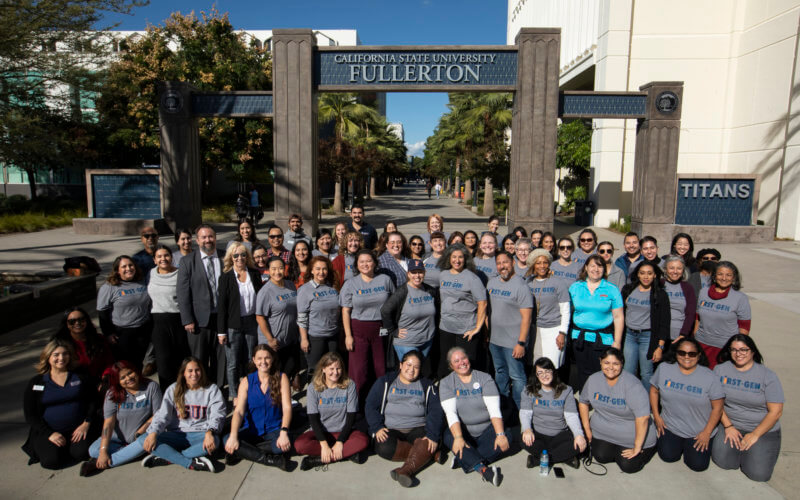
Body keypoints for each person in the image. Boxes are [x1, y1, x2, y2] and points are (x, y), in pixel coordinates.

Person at [365, 350, 444, 487]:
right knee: (383, 447)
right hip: (392, 428)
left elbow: (436, 411)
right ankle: (428, 454)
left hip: (418, 428)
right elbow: (370, 405)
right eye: (408, 365)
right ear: (401, 365)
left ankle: (405, 470)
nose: (411, 370)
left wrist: (432, 434)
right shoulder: (386, 381)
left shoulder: (427, 385)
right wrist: (377, 427)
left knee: (428, 441)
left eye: (416, 367)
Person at [712, 335, 784, 482]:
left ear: (752, 352)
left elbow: (776, 412)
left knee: (758, 474)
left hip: (762, 428)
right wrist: (728, 426)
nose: (739, 354)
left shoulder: (767, 376)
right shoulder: (720, 370)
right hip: (731, 424)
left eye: (744, 349)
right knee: (724, 463)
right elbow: (716, 403)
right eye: (734, 350)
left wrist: (755, 435)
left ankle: (755, 450)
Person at [649, 338, 724, 472]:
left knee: (697, 465)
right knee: (668, 456)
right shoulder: (664, 368)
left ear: (699, 355)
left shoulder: (710, 376)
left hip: (698, 431)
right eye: (682, 353)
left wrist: (707, 432)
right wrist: (656, 416)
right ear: (676, 353)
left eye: (692, 354)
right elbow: (654, 391)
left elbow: (717, 408)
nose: (686, 357)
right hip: (671, 426)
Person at [578, 348, 657, 473]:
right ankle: (616, 450)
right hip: (604, 432)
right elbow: (583, 402)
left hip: (632, 435)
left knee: (628, 465)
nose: (611, 367)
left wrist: (637, 446)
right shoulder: (593, 379)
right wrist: (587, 430)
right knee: (601, 456)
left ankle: (646, 449)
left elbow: (643, 418)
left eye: (615, 364)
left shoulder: (633, 385)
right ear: (600, 362)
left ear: (622, 364)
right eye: (606, 363)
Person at [22, 339, 96, 470]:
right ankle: (59, 448)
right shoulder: (37, 382)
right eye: (56, 355)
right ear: (48, 357)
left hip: (78, 429)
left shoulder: (79, 376)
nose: (61, 358)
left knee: (82, 453)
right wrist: (50, 434)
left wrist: (86, 423)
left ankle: (70, 447)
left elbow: (93, 400)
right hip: (50, 431)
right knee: (51, 462)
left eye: (65, 354)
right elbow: (30, 414)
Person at [141, 357, 225, 472]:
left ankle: (169, 456)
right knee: (144, 439)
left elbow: (218, 414)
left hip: (200, 434)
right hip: (177, 434)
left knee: (215, 441)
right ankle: (190, 462)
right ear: (183, 373)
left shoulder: (212, 389)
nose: (194, 374)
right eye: (190, 371)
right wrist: (153, 432)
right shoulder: (173, 389)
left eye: (197, 370)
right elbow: (162, 415)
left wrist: (210, 432)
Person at [439, 347, 507, 486]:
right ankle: (483, 470)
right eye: (456, 361)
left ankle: (463, 459)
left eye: (463, 358)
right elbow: (451, 413)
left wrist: (500, 434)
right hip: (464, 431)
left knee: (507, 437)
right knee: (449, 436)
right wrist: (458, 438)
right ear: (451, 366)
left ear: (468, 359)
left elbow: (494, 410)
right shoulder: (446, 383)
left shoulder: (484, 378)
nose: (461, 363)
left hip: (486, 428)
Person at [81, 361, 162, 476]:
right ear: (117, 381)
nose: (128, 378)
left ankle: (99, 463)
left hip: (139, 437)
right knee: (93, 450)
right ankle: (128, 454)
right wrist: (103, 451)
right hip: (116, 439)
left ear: (136, 371)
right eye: (123, 377)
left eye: (130, 373)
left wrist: (142, 429)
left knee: (145, 442)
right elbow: (108, 423)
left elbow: (158, 414)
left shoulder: (151, 387)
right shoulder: (112, 394)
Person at [294, 353, 369, 469]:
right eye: (331, 369)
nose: (335, 372)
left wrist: (340, 442)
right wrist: (323, 444)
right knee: (299, 445)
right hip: (321, 432)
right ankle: (346, 455)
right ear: (323, 369)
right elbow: (313, 419)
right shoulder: (313, 387)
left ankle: (319, 459)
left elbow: (351, 417)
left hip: (344, 431)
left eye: (338, 368)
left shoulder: (349, 385)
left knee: (363, 441)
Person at [224, 345, 292, 470]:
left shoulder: (282, 378)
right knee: (227, 439)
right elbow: (238, 411)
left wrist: (283, 431)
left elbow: (287, 408)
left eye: (267, 358)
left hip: (274, 429)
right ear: (254, 360)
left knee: (284, 445)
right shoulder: (247, 381)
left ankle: (243, 452)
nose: (263, 362)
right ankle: (270, 460)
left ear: (272, 359)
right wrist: (234, 435)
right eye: (259, 358)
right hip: (251, 430)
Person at [177, 224, 226, 389]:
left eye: (210, 236)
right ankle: (200, 389)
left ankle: (218, 388)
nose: (208, 240)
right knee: (199, 358)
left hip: (220, 317)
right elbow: (183, 293)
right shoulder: (187, 261)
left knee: (220, 357)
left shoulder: (224, 257)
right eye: (204, 237)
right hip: (198, 320)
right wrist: (187, 319)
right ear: (197, 240)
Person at [340, 250, 395, 396]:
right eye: (361, 262)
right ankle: (357, 402)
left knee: (380, 368)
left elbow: (393, 305)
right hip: (359, 329)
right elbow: (345, 311)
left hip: (380, 329)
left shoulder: (385, 279)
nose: (365, 264)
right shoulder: (350, 284)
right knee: (359, 370)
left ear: (375, 263)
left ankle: (381, 398)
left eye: (369, 261)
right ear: (357, 265)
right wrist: (348, 335)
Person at [569, 255, 624, 390]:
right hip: (579, 338)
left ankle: (598, 398)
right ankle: (585, 400)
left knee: (600, 371)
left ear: (604, 269)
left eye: (600, 266)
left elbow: (618, 317)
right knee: (582, 371)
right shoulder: (575, 287)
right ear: (586, 268)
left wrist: (617, 341)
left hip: (602, 339)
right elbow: (567, 312)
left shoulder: (612, 289)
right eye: (592, 265)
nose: (596, 269)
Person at [520, 357, 586, 469]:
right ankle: (565, 458)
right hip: (539, 434)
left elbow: (571, 416)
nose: (544, 375)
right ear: (536, 375)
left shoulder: (566, 390)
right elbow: (525, 413)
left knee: (579, 444)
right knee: (524, 440)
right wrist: (527, 429)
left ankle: (538, 459)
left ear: (553, 372)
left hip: (560, 435)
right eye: (540, 373)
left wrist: (579, 434)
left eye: (547, 371)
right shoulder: (528, 390)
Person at [487, 251, 533, 408]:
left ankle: (520, 410)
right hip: (495, 340)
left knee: (517, 377)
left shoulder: (521, 286)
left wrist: (521, 342)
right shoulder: (491, 283)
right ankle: (504, 407)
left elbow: (527, 317)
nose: (502, 266)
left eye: (505, 262)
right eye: (499, 263)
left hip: (513, 342)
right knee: (500, 373)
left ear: (512, 263)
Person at [218, 242, 263, 395]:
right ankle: (234, 393)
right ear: (231, 257)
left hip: (251, 321)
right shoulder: (226, 277)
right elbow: (222, 306)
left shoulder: (254, 273)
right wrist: (221, 332)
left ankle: (252, 388)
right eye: (235, 255)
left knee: (251, 359)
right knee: (233, 362)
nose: (239, 258)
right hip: (233, 324)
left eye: (243, 254)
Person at [436, 244, 488, 378]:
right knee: (446, 363)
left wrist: (477, 328)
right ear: (448, 258)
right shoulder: (443, 275)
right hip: (446, 328)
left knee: (465, 365)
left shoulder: (472, 278)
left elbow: (482, 303)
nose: (457, 260)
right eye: (454, 257)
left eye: (460, 257)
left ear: (466, 259)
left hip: (465, 331)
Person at [620, 261, 670, 390]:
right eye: (642, 273)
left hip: (647, 337)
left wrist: (660, 347)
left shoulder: (660, 294)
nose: (645, 276)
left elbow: (665, 323)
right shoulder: (628, 290)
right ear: (637, 274)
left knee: (646, 373)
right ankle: (630, 400)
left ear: (654, 275)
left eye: (649, 273)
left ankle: (647, 405)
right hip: (630, 335)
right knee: (628, 371)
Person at [97, 255, 152, 368]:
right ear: (117, 270)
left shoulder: (142, 281)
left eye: (131, 265)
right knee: (124, 366)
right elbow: (102, 311)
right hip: (122, 334)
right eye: (124, 266)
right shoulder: (109, 287)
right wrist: (108, 333)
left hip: (142, 330)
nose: (128, 268)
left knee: (138, 363)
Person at [381, 259, 439, 364]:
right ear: (408, 274)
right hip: (407, 343)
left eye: (420, 272)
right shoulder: (402, 292)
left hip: (426, 341)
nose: (417, 276)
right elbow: (385, 311)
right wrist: (392, 330)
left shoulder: (430, 291)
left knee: (420, 372)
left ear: (424, 273)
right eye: (413, 272)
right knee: (410, 373)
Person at [256, 256, 302, 388]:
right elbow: (260, 317)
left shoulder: (290, 285)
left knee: (286, 373)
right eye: (274, 269)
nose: (277, 272)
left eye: (281, 268)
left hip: (290, 339)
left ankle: (284, 400)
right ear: (268, 271)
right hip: (273, 342)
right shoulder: (265, 292)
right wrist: (270, 339)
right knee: (273, 377)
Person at [694, 261, 750, 368]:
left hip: (725, 348)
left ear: (734, 278)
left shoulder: (740, 298)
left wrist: (737, 349)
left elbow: (744, 327)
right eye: (720, 274)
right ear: (714, 276)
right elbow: (698, 317)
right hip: (702, 344)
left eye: (728, 275)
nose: (724, 278)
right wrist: (696, 335)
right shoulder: (703, 292)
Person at [148, 245, 190, 388]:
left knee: (180, 359)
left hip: (178, 319)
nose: (163, 259)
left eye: (166, 255)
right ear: (154, 260)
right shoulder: (151, 274)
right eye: (159, 256)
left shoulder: (180, 274)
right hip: (159, 322)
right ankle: (166, 393)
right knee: (163, 360)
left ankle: (183, 390)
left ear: (172, 258)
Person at [297, 256, 341, 378]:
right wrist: (304, 338)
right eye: (317, 269)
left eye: (324, 269)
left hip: (333, 335)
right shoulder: (305, 290)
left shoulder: (333, 287)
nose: (321, 272)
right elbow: (301, 317)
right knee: (316, 371)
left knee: (332, 369)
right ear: (311, 270)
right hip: (315, 337)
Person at [525, 249, 570, 368]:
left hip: (554, 329)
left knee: (552, 365)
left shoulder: (558, 283)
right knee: (536, 364)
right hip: (535, 329)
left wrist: (562, 333)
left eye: (545, 262)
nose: (542, 266)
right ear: (533, 265)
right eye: (538, 263)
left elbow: (565, 310)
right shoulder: (528, 283)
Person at [52, 307, 113, 381]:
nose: (77, 323)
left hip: (100, 381)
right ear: (67, 324)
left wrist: (106, 376)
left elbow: (109, 361)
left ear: (87, 321)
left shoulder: (99, 339)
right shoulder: (60, 344)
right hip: (73, 383)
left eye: (81, 319)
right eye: (72, 321)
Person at [662, 255, 697, 343]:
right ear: (665, 269)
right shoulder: (659, 284)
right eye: (671, 268)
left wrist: (683, 334)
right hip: (659, 335)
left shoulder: (688, 288)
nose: (675, 271)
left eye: (679, 268)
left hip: (679, 336)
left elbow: (690, 313)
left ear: (683, 270)